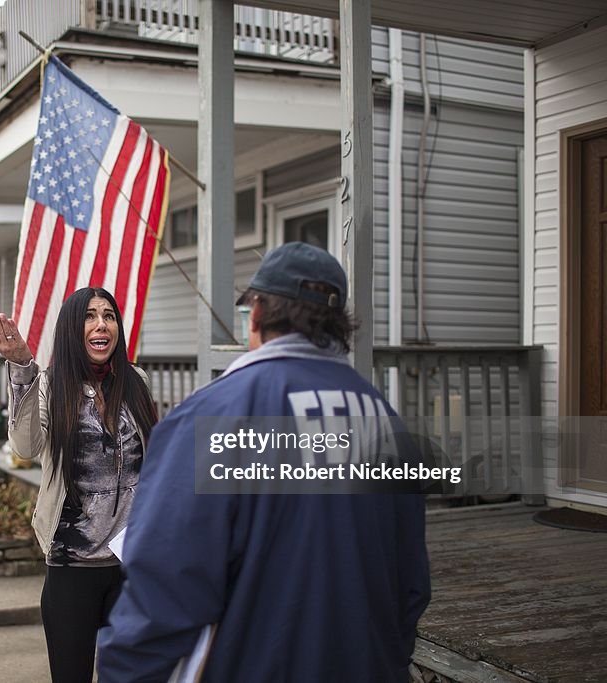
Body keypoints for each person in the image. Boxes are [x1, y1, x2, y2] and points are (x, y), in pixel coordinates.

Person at [97, 242, 431, 682]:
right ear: (337, 325)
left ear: (256, 314)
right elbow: (410, 584)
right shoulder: (384, 419)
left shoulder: (212, 415)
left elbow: (163, 584)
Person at [0, 287, 158, 683]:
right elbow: (25, 446)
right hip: (72, 566)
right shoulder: (50, 385)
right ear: (71, 329)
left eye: (109, 316)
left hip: (130, 565)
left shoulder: (137, 382)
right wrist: (22, 369)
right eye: (90, 316)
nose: (102, 325)